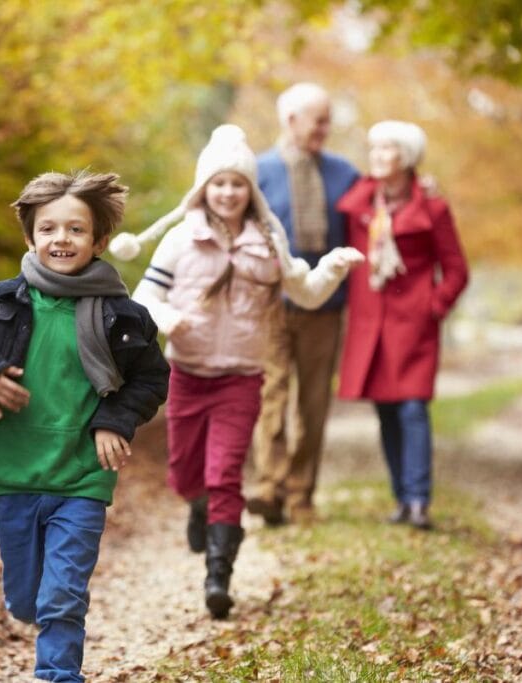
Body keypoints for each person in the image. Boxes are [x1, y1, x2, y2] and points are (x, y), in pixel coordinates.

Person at [0, 170, 170, 682]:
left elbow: (151, 378)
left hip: (82, 476)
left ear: (100, 240)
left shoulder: (123, 316)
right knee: (29, 599)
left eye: (75, 230)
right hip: (13, 472)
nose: (61, 239)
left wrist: (114, 421)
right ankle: (36, 612)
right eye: (48, 229)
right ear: (30, 237)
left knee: (62, 596)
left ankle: (57, 675)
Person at [108, 124, 363, 618]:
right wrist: (165, 319)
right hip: (187, 373)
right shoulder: (182, 240)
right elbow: (145, 297)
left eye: (238, 184)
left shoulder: (268, 241)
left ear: (251, 191)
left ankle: (218, 578)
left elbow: (305, 292)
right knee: (185, 475)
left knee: (225, 474)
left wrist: (330, 266)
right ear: (204, 188)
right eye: (219, 183)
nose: (228, 193)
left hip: (243, 377)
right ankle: (197, 504)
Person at [336, 120, 469, 530]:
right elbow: (348, 200)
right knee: (386, 412)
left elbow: (456, 270)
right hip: (370, 327)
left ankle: (419, 501)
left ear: (407, 157)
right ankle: (400, 496)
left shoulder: (433, 208)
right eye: (374, 148)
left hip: (414, 328)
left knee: (412, 409)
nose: (376, 155)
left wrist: (433, 306)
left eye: (387, 149)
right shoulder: (361, 205)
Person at [245, 82, 361, 526]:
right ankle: (269, 489)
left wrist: (420, 184)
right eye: (319, 120)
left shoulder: (344, 173)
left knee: (313, 404)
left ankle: (301, 495)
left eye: (328, 120)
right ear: (290, 120)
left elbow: (378, 207)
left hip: (325, 308)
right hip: (271, 305)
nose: (325, 129)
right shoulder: (258, 171)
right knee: (271, 397)